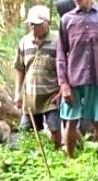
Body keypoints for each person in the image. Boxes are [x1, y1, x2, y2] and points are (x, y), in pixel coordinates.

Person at [57, 0, 98, 158]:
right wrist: (63, 84)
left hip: (97, 76)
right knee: (71, 120)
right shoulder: (67, 19)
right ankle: (70, 159)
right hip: (74, 78)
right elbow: (61, 54)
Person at [14, 5, 62, 148]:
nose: (33, 27)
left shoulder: (58, 41)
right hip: (30, 96)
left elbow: (65, 68)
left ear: (47, 23)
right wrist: (17, 93)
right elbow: (19, 68)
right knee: (26, 131)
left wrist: (61, 90)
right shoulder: (24, 42)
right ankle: (32, 158)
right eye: (31, 24)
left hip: (51, 95)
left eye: (37, 24)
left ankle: (57, 153)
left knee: (55, 128)